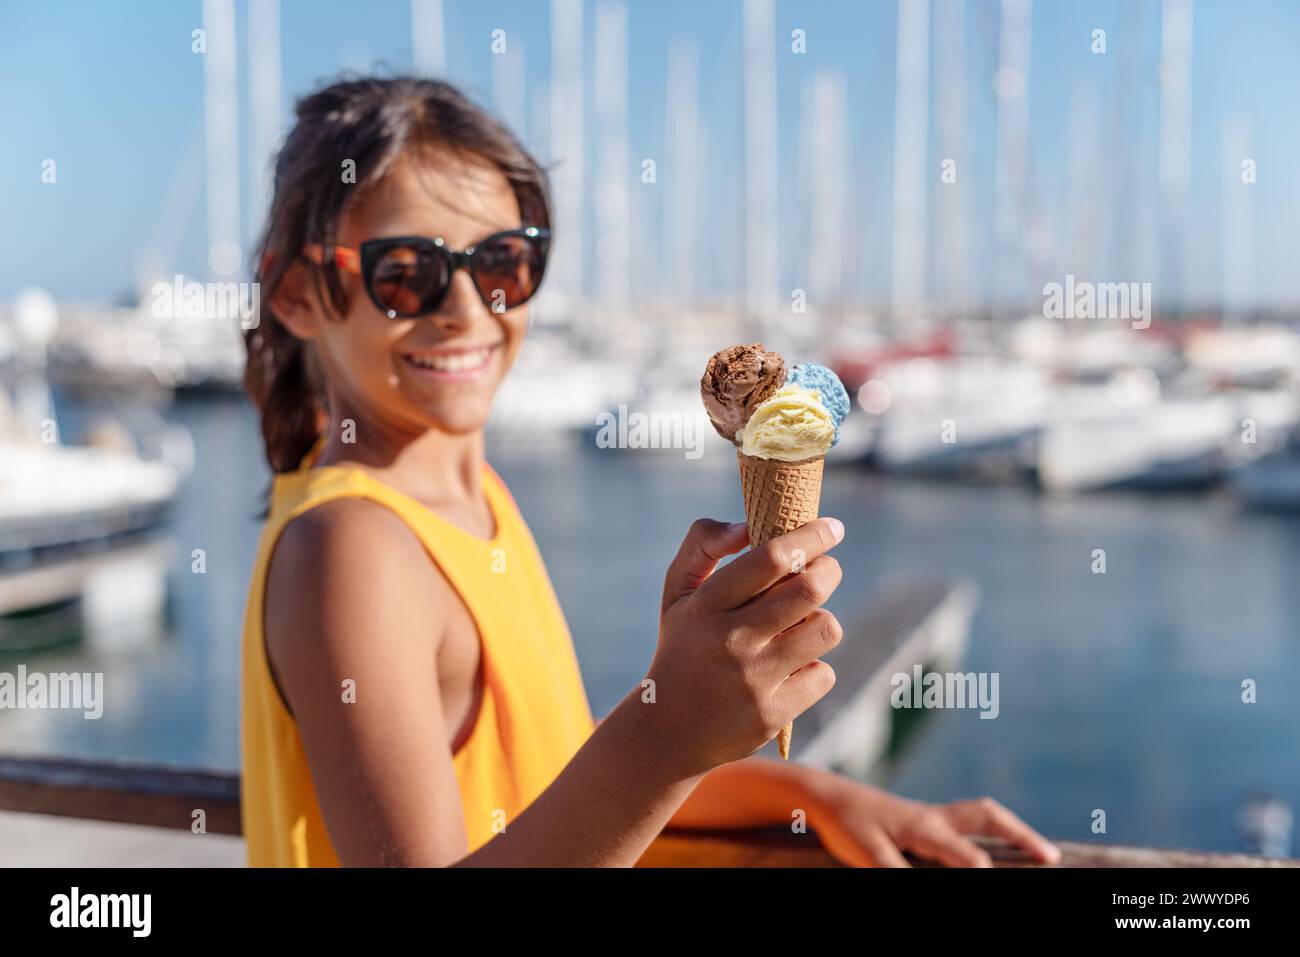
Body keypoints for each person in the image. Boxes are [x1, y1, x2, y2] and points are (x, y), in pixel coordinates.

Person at [239, 75, 1059, 868]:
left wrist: (809, 796)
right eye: (404, 271)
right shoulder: (350, 548)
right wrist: (665, 739)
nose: (465, 308)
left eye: (502, 263)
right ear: (299, 294)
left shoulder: (471, 499)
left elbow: (554, 789)